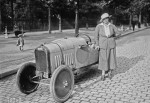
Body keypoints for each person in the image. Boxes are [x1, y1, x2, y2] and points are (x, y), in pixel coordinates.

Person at [94, 13, 121, 81]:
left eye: (107, 18)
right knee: (104, 59)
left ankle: (110, 72)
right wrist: (97, 44)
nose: (106, 20)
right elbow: (96, 36)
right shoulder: (99, 26)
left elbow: (118, 33)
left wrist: (114, 37)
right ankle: (103, 73)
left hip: (111, 44)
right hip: (102, 45)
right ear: (102, 20)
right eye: (104, 19)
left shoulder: (112, 25)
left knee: (111, 58)